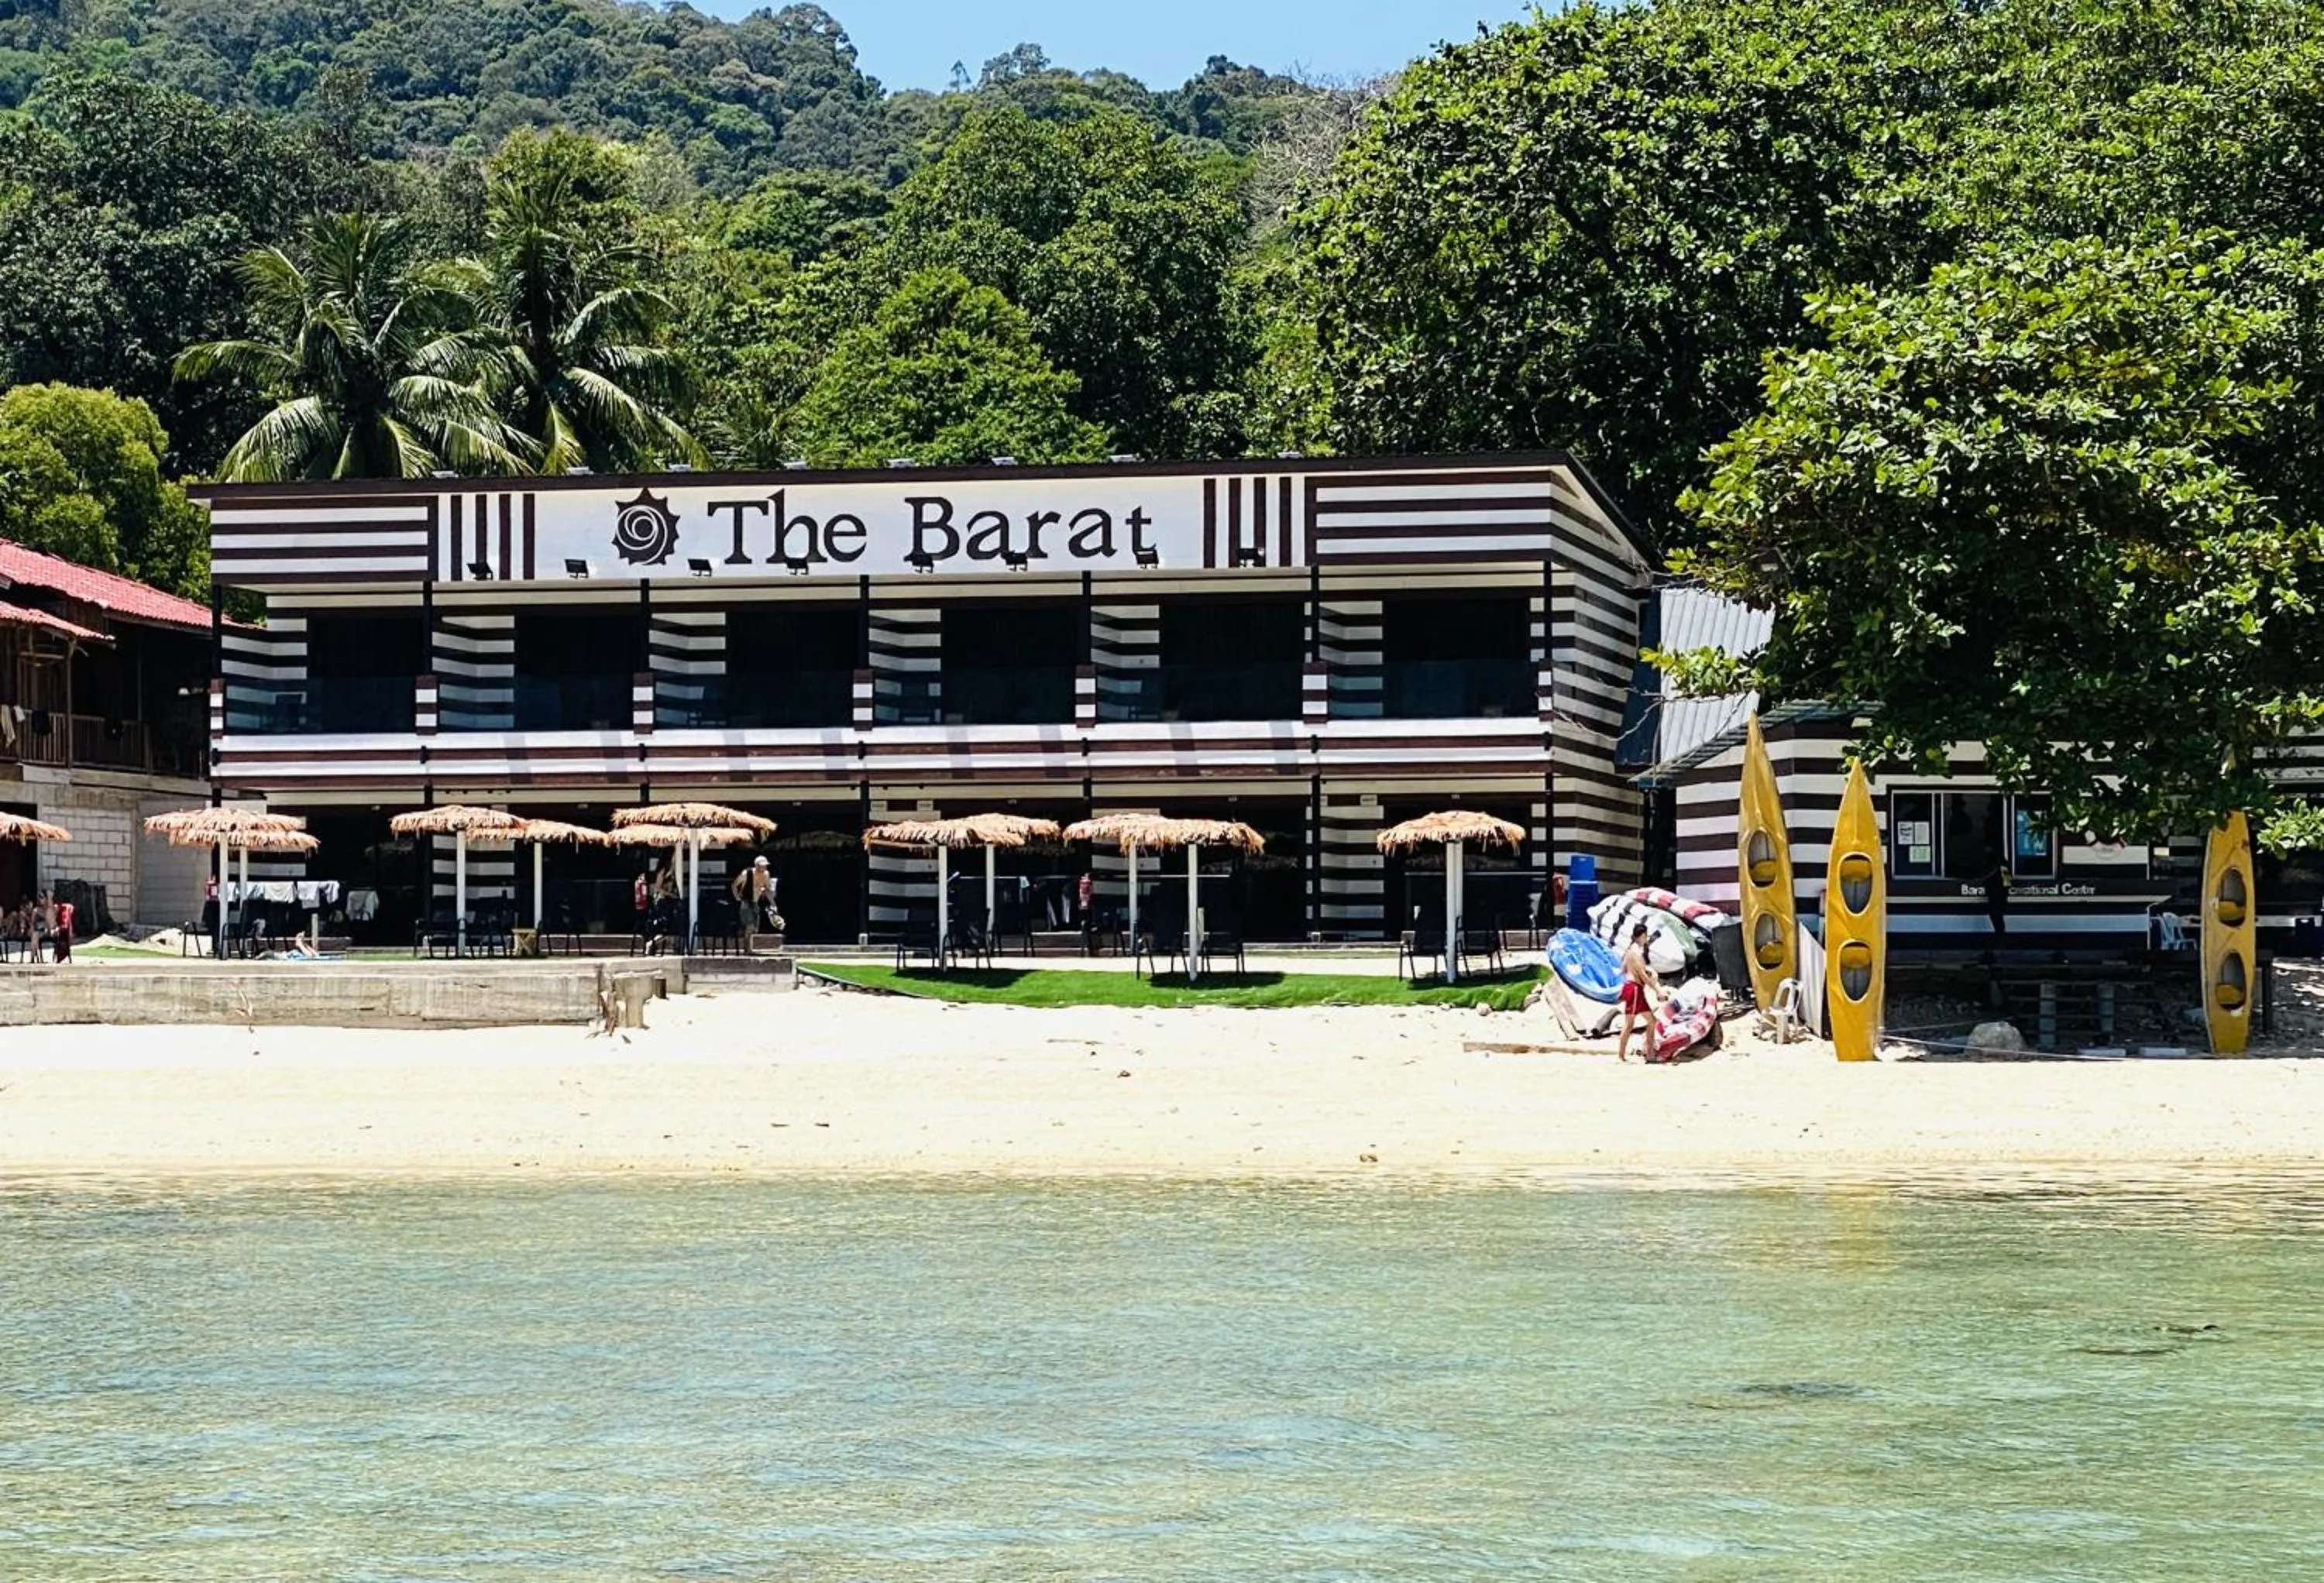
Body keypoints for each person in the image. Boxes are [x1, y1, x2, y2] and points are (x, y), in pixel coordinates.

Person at [1615, 922, 1662, 1064]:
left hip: (1632, 989)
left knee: (1651, 1021)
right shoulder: (1636, 953)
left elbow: (1623, 970)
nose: (1646, 939)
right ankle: (1622, 1056)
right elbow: (1643, 976)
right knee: (1630, 1024)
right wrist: (1658, 991)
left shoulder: (1629, 951)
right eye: (1646, 936)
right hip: (1635, 989)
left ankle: (1649, 1055)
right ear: (1641, 936)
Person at [731, 856, 775, 953]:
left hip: (755, 902)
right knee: (750, 926)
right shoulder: (747, 873)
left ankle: (747, 945)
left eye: (765, 866)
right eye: (762, 866)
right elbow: (734, 885)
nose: (764, 868)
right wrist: (737, 897)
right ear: (757, 866)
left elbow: (767, 890)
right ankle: (747, 949)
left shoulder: (766, 875)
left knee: (754, 928)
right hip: (746, 902)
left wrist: (773, 903)